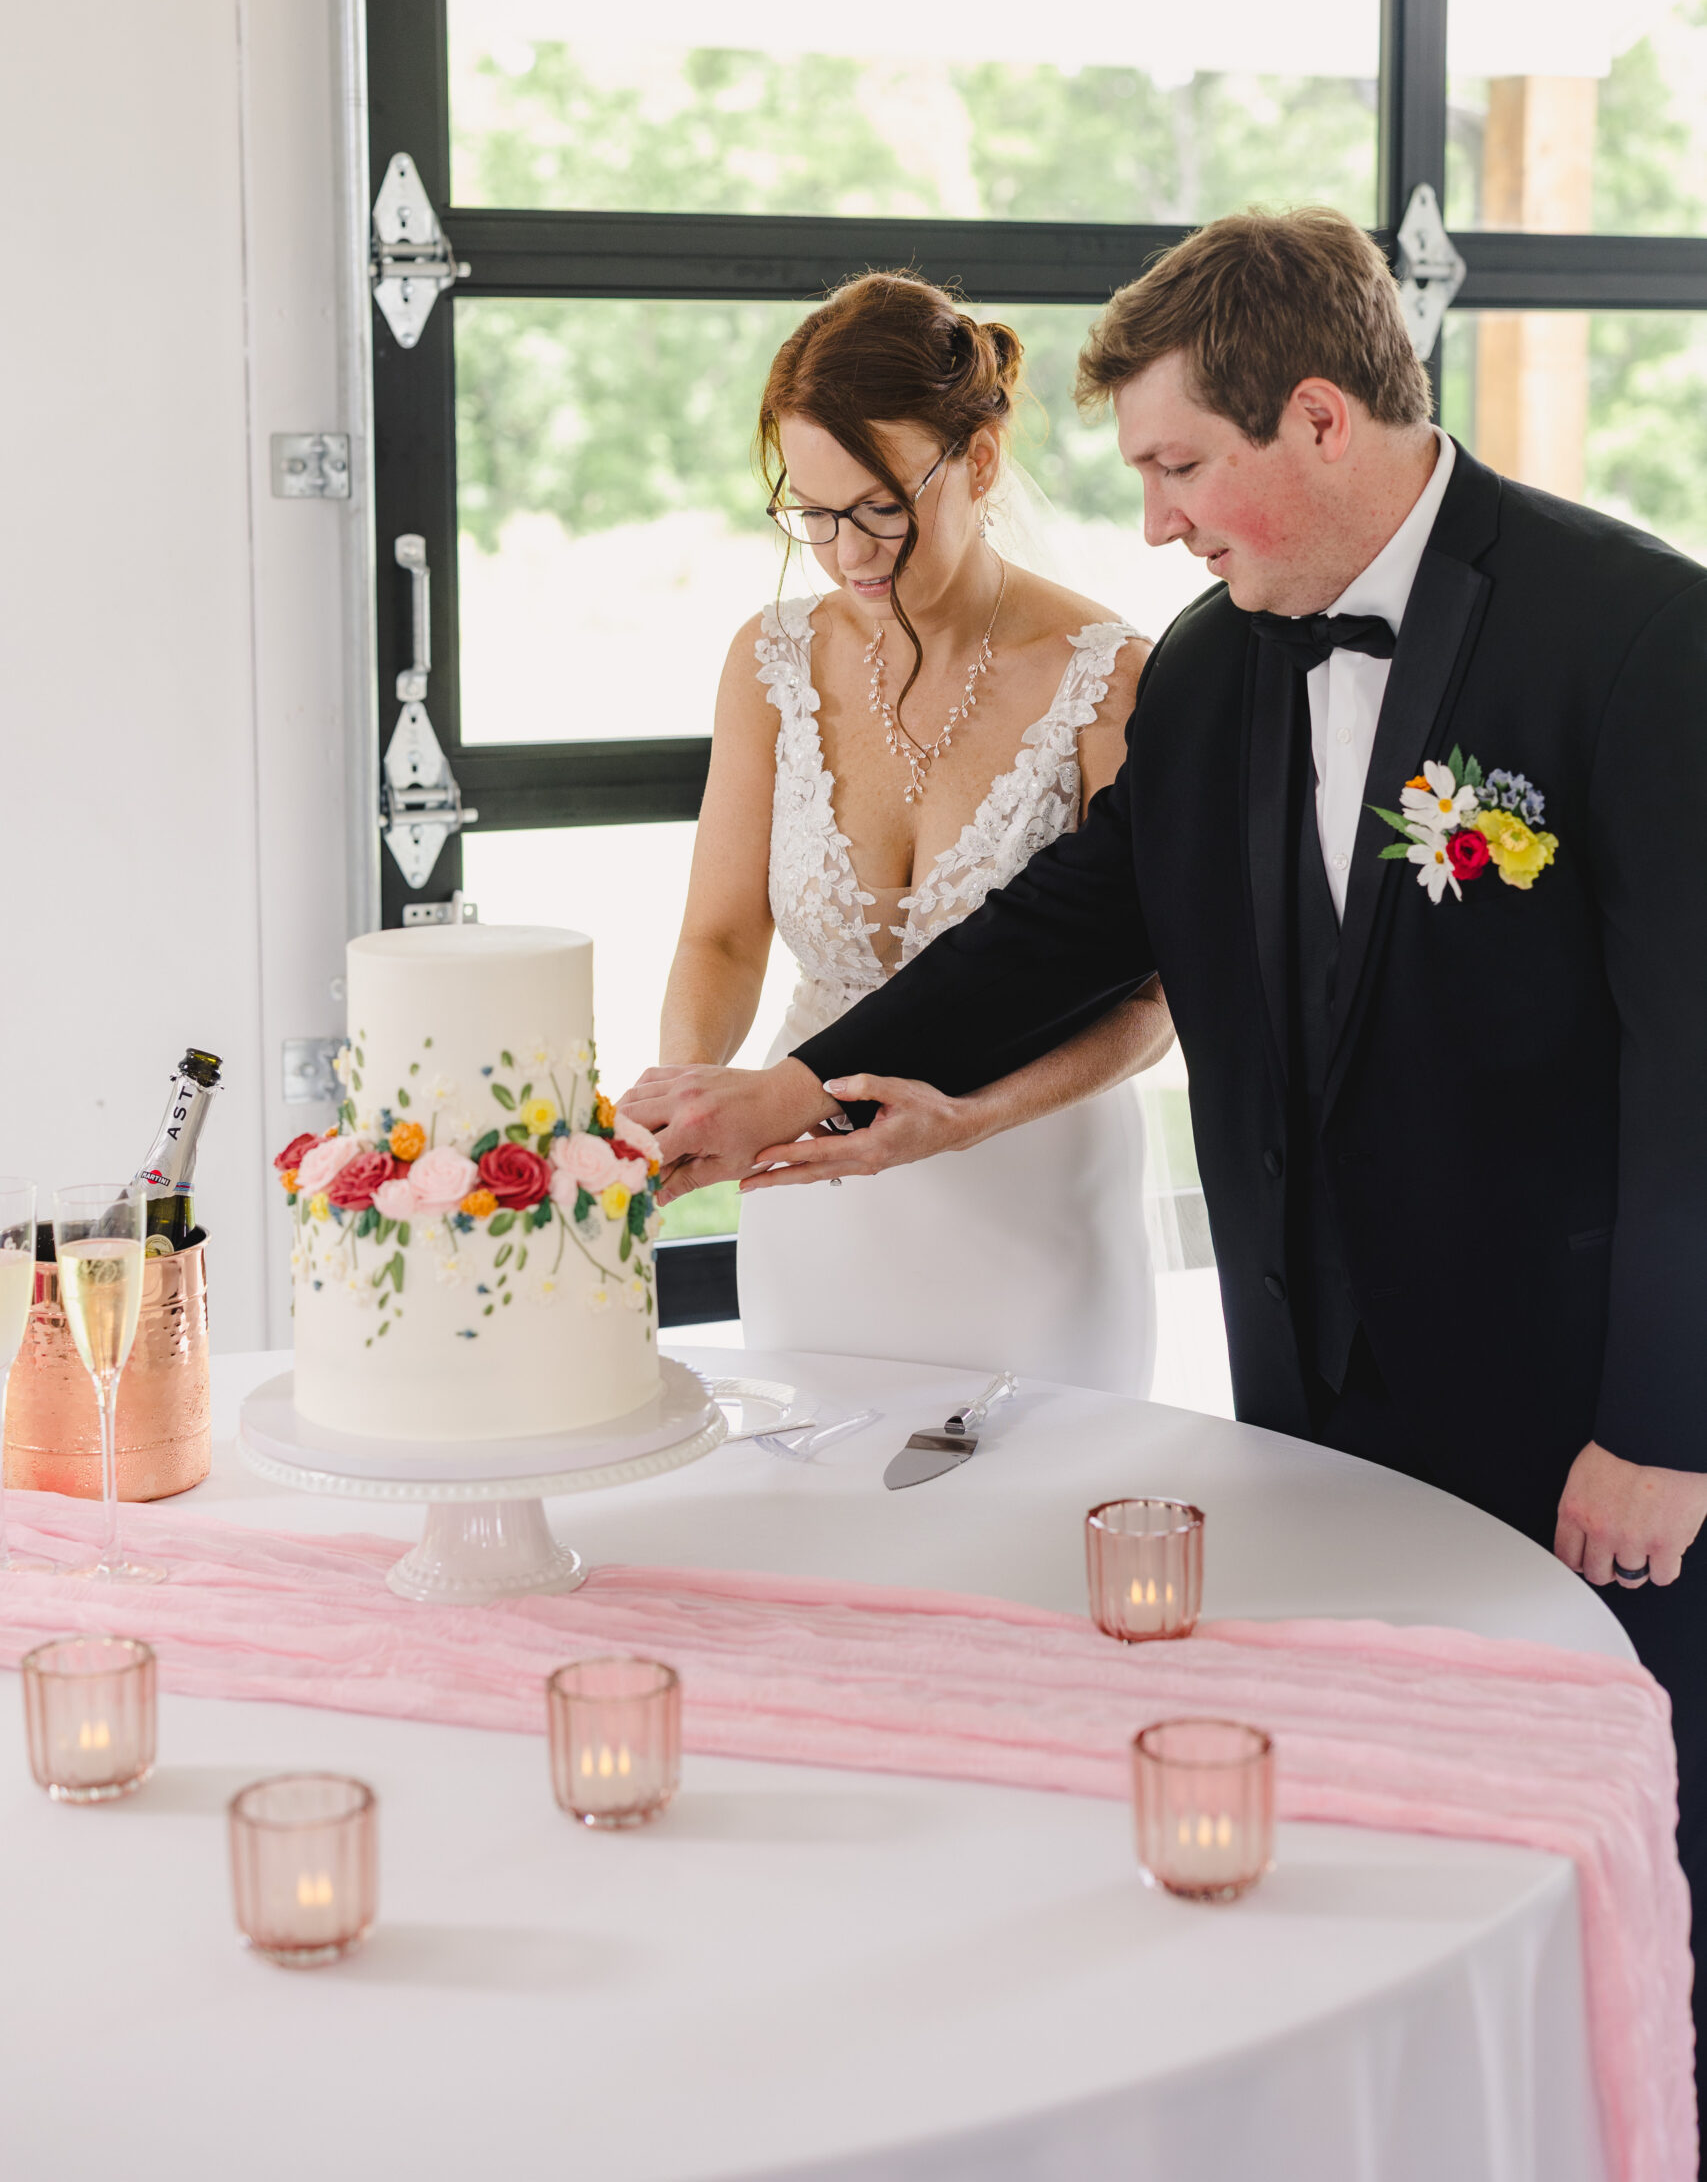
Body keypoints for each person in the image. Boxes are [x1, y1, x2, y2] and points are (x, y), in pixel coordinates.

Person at [623, 209, 1707, 1992]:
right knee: (1381, 1859)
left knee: (1625, 1856)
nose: (1152, 523)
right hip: (1307, 1394)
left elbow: (1695, 1063)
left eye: (1178, 464)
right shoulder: (1208, 667)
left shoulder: (1636, 637)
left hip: (1576, 1412)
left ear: (1317, 421)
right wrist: (789, 1087)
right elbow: (1065, 928)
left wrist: (1668, 1425)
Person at [648, 270, 1172, 1389]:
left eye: (879, 507)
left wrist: (971, 1118)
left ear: (977, 460)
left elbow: (1154, 1002)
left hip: (1028, 1195)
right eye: (814, 513)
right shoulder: (771, 660)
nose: (847, 554)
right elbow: (723, 936)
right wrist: (691, 1097)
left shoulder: (1106, 677)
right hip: (813, 1204)